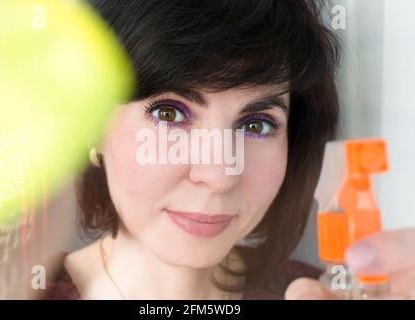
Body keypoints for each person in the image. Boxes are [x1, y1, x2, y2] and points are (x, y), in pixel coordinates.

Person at [42, 0, 415, 300]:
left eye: (256, 125)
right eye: (169, 114)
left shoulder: (326, 294)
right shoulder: (5, 291)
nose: (220, 175)